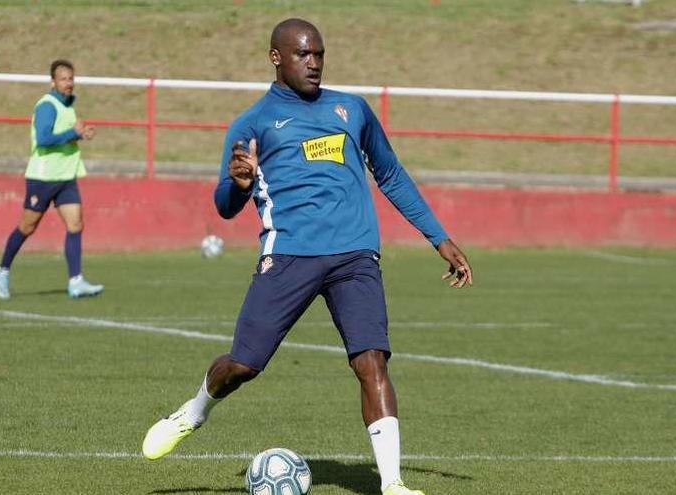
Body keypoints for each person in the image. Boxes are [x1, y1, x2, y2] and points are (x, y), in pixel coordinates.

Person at [141, 18, 473, 495]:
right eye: (303, 54)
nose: (313, 63)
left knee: (372, 361)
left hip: (355, 255)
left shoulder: (352, 110)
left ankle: (393, 483)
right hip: (289, 255)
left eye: (319, 54)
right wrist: (238, 185)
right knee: (244, 365)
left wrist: (438, 238)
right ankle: (193, 411)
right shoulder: (252, 124)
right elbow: (224, 205)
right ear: (276, 57)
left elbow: (392, 175)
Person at [0, 59, 104, 300]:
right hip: (43, 177)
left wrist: (80, 136)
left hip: (66, 177)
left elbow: (64, 138)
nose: (69, 83)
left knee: (75, 225)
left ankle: (76, 281)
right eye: (64, 79)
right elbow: (43, 139)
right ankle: (2, 270)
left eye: (71, 79)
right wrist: (72, 133)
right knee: (27, 227)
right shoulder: (47, 105)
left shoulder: (68, 107)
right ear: (53, 82)